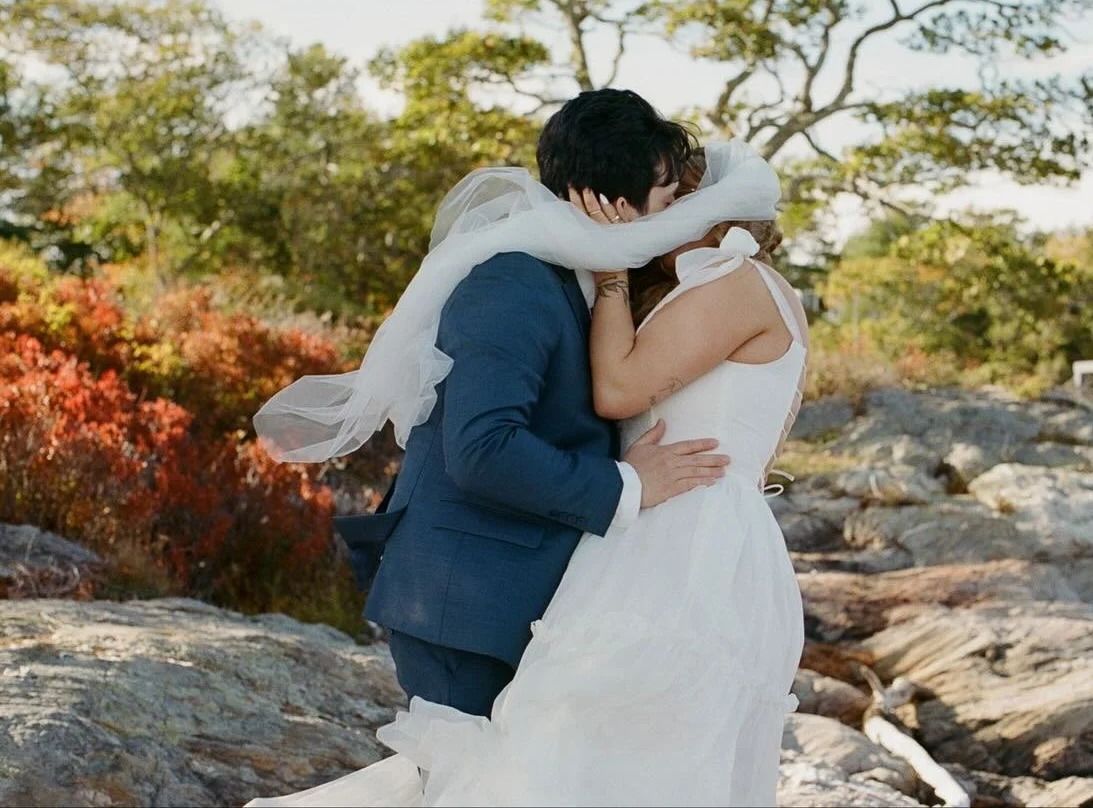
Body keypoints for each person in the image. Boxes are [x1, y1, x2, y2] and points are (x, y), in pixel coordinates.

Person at [250, 102, 804, 806]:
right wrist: (626, 484)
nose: (684, 215)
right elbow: (483, 448)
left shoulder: (599, 285)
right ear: (613, 202)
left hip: (555, 589)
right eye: (671, 199)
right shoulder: (513, 280)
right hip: (467, 599)